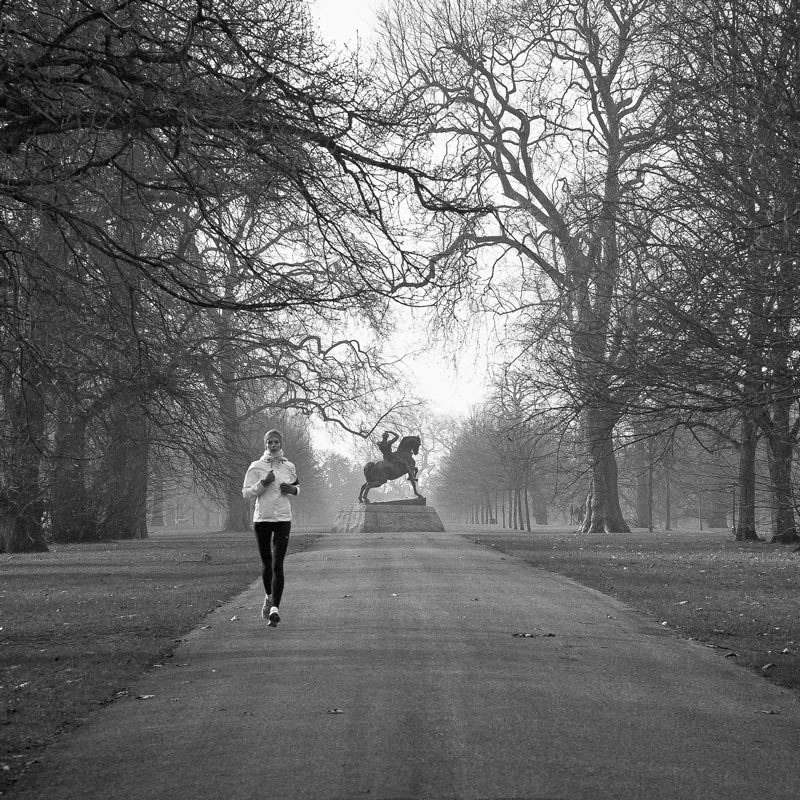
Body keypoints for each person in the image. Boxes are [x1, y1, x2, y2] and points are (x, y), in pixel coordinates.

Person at [242, 429, 300, 627]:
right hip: (262, 519)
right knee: (267, 564)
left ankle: (275, 608)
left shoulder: (289, 466)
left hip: (283, 518)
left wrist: (291, 489)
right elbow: (246, 493)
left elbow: (297, 487)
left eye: (276, 442)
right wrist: (263, 483)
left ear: (281, 444)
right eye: (270, 442)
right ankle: (269, 598)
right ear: (265, 445)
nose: (274, 445)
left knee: (278, 564)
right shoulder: (256, 466)